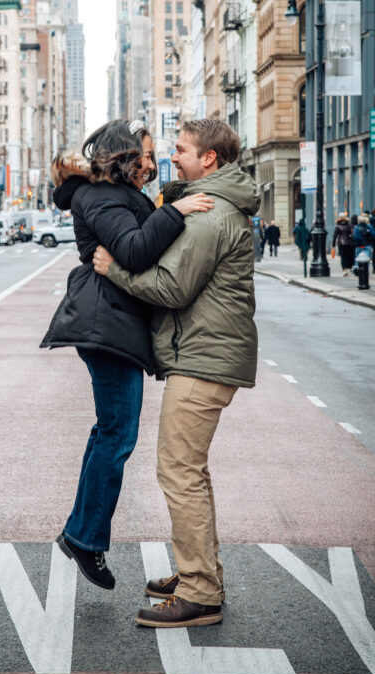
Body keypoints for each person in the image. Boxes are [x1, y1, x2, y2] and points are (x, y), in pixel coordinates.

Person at [93, 119, 259, 628]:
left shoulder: (209, 214)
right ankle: (200, 573)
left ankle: (200, 591)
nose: (173, 156)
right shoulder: (210, 203)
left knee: (179, 472)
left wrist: (113, 269)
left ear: (208, 158)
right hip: (206, 354)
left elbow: (171, 287)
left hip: (203, 359)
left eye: (182, 149)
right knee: (191, 471)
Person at [41, 120, 213, 590]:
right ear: (123, 155)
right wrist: (174, 210)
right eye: (145, 153)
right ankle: (84, 538)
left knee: (111, 433)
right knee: (116, 434)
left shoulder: (116, 194)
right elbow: (135, 251)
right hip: (105, 321)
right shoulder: (99, 197)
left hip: (113, 321)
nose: (150, 162)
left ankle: (83, 534)